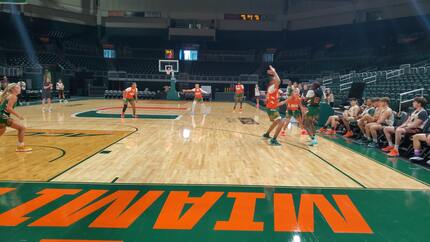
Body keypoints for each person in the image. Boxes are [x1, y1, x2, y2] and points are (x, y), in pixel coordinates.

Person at [0, 83, 32, 152]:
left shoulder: (7, 95)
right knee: (22, 128)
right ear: (13, 89)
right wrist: (18, 116)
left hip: (2, 115)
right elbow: (9, 108)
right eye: (17, 87)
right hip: (2, 116)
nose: (20, 88)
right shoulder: (13, 96)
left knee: (2, 129)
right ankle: (20, 147)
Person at [262, 65, 286, 146]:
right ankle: (273, 140)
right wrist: (274, 71)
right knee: (282, 121)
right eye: (274, 79)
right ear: (272, 81)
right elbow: (279, 81)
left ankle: (267, 134)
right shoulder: (273, 87)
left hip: (271, 107)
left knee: (276, 122)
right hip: (272, 108)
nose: (276, 79)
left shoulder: (272, 88)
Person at [303, 81, 323, 146]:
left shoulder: (310, 91)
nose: (311, 85)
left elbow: (305, 99)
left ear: (313, 85)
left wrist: (303, 98)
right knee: (311, 123)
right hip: (317, 108)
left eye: (312, 84)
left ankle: (313, 140)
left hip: (311, 108)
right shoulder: (320, 92)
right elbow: (323, 99)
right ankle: (314, 137)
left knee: (306, 125)